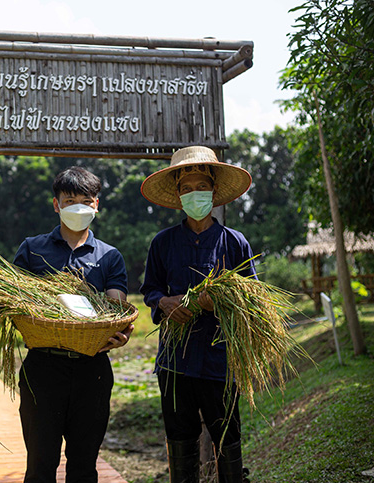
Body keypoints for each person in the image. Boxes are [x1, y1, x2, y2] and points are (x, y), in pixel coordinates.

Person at [139, 146, 254, 483]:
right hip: (175, 363)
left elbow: (251, 298)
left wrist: (218, 302)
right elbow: (150, 290)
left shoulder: (234, 243)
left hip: (220, 364)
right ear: (177, 195)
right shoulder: (162, 243)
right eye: (186, 188)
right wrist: (165, 303)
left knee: (228, 442)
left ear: (214, 191)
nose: (194, 194)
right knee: (180, 441)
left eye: (201, 186)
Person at [13, 166, 134, 483]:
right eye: (69, 200)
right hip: (43, 369)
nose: (78, 207)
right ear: (56, 205)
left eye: (85, 200)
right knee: (40, 466)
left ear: (96, 205)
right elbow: (14, 304)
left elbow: (115, 306)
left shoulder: (109, 257)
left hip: (91, 371)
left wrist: (118, 330)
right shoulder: (32, 249)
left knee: (83, 467)